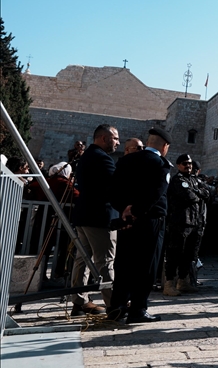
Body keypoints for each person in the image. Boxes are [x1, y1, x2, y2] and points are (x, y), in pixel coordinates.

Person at [108, 127, 173, 324]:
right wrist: (136, 210)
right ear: (165, 146)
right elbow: (156, 193)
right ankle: (138, 309)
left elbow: (113, 190)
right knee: (147, 265)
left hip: (126, 220)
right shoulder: (161, 164)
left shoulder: (126, 160)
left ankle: (117, 307)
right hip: (150, 220)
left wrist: (125, 210)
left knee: (124, 262)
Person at [68, 124, 120, 316]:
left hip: (85, 215)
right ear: (104, 138)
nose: (118, 142)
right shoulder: (101, 158)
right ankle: (114, 304)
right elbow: (115, 186)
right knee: (105, 261)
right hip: (99, 217)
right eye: (115, 138)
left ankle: (79, 301)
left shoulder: (88, 155)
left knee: (83, 259)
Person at [162, 154, 209, 297]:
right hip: (180, 223)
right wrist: (199, 193)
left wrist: (197, 192)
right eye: (184, 163)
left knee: (190, 254)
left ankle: (183, 281)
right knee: (175, 254)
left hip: (195, 222)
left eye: (189, 163)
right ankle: (169, 283)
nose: (188, 166)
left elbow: (207, 193)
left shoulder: (194, 179)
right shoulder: (178, 180)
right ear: (178, 165)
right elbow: (189, 197)